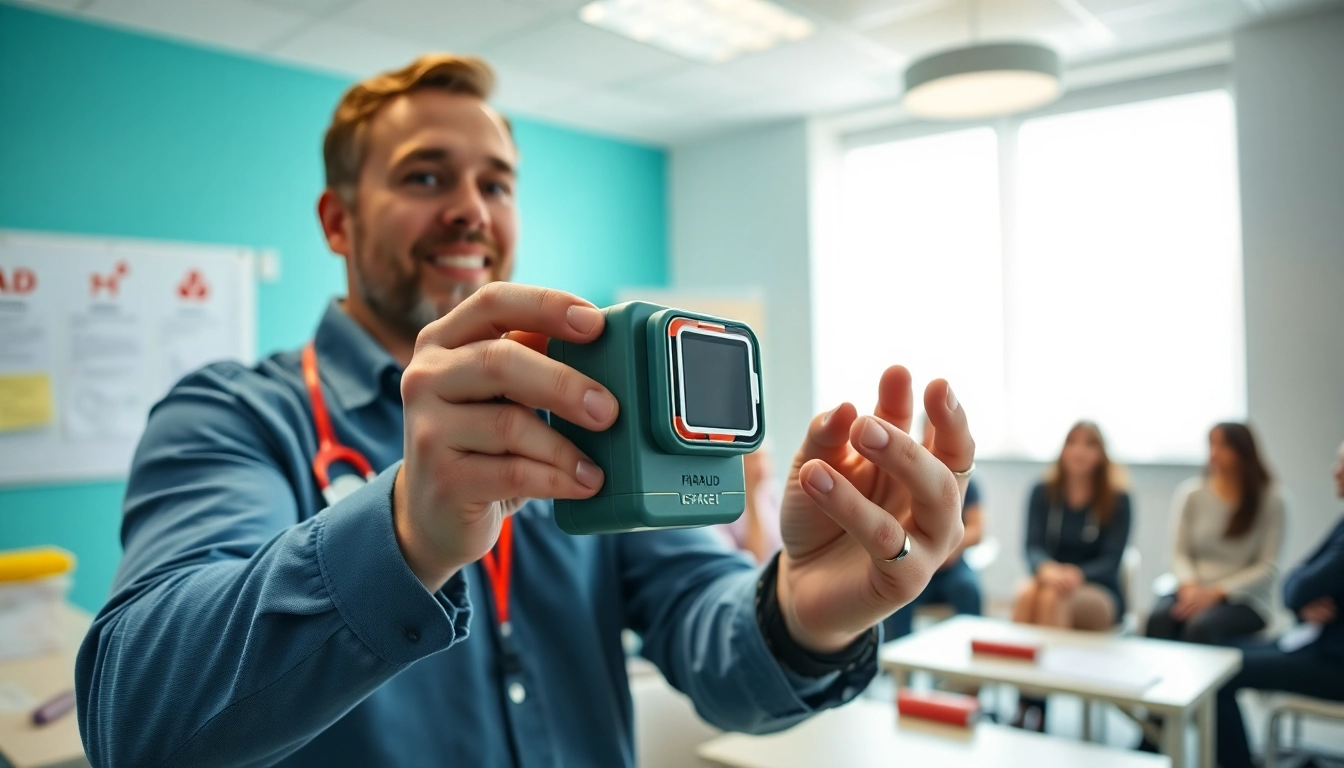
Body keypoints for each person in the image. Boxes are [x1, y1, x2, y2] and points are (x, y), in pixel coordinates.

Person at [73, 55, 976, 768]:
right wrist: (400, 535)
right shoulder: (231, 417)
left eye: (496, 184)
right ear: (338, 221)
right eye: (425, 177)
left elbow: (710, 632)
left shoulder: (588, 409)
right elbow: (136, 722)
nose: (470, 210)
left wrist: (806, 616)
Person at [1214, 440, 1344, 768]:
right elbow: (1292, 583)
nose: (1335, 471)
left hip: (1332, 661)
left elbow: (1299, 585)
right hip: (1313, 642)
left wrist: (1300, 596)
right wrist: (1300, 599)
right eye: (1337, 460)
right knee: (1221, 655)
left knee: (1219, 673)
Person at [1011, 421, 1132, 730]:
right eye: (1073, 442)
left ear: (1101, 454)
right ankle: (1028, 699)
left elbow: (1112, 560)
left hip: (1098, 590)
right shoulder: (1042, 492)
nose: (1079, 451)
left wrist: (1076, 574)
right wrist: (1048, 569)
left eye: (1089, 444)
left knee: (1051, 596)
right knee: (1026, 593)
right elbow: (1032, 547)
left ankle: (1036, 708)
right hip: (1051, 581)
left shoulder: (1118, 499)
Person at [1145, 423, 1285, 646]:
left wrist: (1217, 593)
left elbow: (1266, 568)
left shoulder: (1272, 500)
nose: (1214, 453)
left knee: (1200, 627)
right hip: (1191, 589)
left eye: (1223, 445)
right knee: (1158, 619)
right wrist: (1190, 586)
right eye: (1211, 444)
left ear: (1243, 451)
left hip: (1242, 598)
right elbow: (1178, 553)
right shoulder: (1192, 494)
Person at [881, 416, 985, 640]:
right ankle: (899, 665)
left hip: (952, 568)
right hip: (916, 564)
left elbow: (978, 530)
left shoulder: (967, 480)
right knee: (895, 593)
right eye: (936, 430)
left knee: (970, 590)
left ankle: (970, 666)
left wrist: (949, 546)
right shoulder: (907, 477)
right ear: (923, 435)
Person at [713, 447, 783, 564]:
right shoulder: (723, 500)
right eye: (754, 459)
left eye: (763, 457)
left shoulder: (771, 490)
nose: (761, 465)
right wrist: (752, 498)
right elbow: (755, 557)